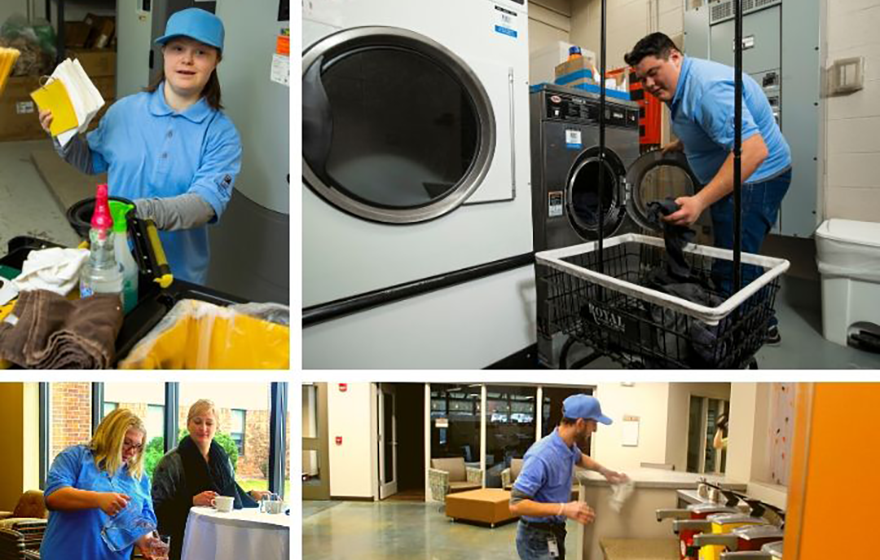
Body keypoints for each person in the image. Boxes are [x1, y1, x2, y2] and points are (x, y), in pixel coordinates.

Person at [39, 8, 242, 285]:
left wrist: (135, 212)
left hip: (177, 275)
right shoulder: (125, 111)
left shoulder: (221, 133)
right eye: (178, 48)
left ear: (216, 60)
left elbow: (203, 205)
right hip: (115, 264)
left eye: (201, 52)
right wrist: (62, 132)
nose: (187, 59)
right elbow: (89, 160)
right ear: (163, 53)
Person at [625, 32, 792, 344]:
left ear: (675, 57)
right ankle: (763, 320)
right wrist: (684, 142)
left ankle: (738, 335)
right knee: (740, 253)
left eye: (652, 73)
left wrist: (699, 201)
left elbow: (754, 151)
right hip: (743, 174)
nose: (648, 85)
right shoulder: (684, 84)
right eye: (642, 79)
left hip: (757, 178)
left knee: (732, 262)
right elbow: (707, 123)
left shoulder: (706, 90)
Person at [509, 395, 629, 560]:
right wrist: (564, 508)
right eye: (593, 424)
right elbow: (516, 504)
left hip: (554, 531)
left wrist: (604, 471)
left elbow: (579, 458)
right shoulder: (541, 455)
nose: (594, 429)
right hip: (536, 538)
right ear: (580, 423)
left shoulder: (567, 445)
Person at [151, 399, 273, 560]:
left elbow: (228, 496)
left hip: (224, 540)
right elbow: (157, 511)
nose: (203, 428)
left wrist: (250, 495)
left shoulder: (222, 458)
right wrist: (191, 501)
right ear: (188, 425)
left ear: (216, 427)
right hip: (187, 543)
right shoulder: (171, 462)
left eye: (209, 423)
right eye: (197, 422)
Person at [40, 408, 165, 560]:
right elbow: (53, 497)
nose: (132, 452)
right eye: (126, 443)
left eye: (138, 447)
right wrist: (98, 500)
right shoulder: (75, 457)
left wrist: (147, 543)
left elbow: (140, 522)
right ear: (110, 437)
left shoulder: (139, 477)